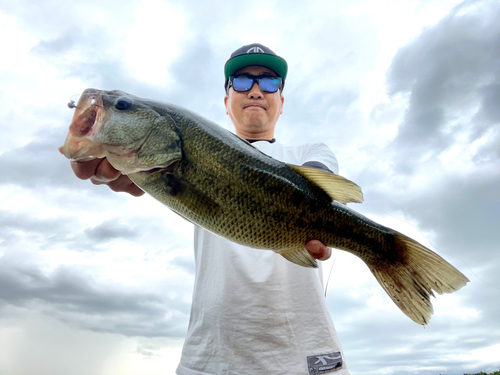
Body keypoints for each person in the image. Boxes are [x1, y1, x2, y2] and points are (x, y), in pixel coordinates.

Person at [70, 43, 350, 375]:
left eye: (270, 82)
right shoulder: (180, 157)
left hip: (308, 354)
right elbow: (174, 195)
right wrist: (125, 170)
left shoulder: (310, 151)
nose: (257, 90)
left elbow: (322, 191)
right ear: (226, 102)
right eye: (242, 81)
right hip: (210, 360)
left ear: (282, 101)